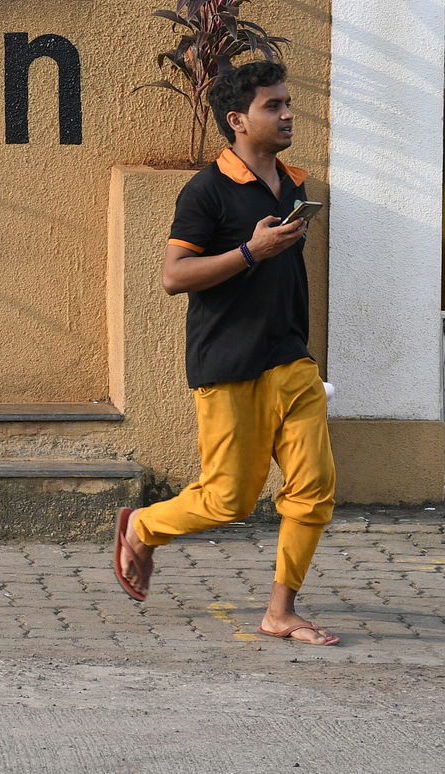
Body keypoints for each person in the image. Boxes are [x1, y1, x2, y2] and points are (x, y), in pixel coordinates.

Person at [113, 61, 339, 646]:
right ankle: (144, 524)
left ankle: (279, 611)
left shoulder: (293, 183)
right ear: (237, 120)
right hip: (229, 364)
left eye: (288, 103)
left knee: (314, 490)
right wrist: (251, 250)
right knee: (228, 499)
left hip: (291, 358)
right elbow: (173, 275)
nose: (288, 113)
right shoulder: (206, 190)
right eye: (274, 106)